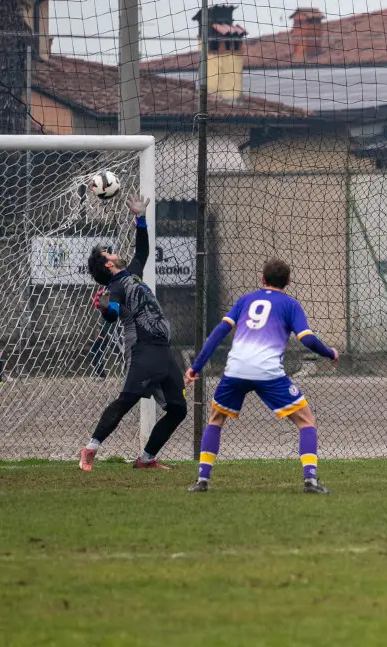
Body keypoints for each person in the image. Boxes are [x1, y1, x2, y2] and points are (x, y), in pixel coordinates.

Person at [184, 258, 339, 494]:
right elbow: (307, 338)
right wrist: (330, 353)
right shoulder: (291, 305)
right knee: (306, 421)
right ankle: (310, 481)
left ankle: (202, 480)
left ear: (262, 279)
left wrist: (196, 366)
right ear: (288, 281)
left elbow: (218, 333)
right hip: (268, 372)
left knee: (215, 420)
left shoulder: (245, 300)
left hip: (236, 369)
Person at [78, 196, 187, 472]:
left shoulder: (131, 274)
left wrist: (140, 217)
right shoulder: (114, 287)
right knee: (127, 400)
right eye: (109, 253)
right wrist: (105, 308)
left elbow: (142, 251)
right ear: (108, 265)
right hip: (143, 349)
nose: (113, 253)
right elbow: (113, 313)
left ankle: (146, 459)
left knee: (178, 409)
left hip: (162, 349)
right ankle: (90, 449)